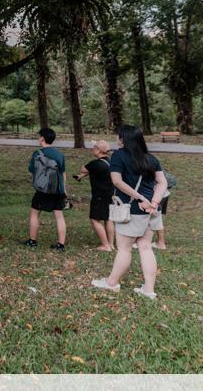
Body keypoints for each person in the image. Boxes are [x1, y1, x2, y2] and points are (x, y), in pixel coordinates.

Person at [91, 125, 168, 300]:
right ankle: (149, 290)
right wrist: (154, 203)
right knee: (145, 247)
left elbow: (117, 182)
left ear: (123, 139)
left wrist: (141, 199)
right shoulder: (151, 158)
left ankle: (112, 283)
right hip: (151, 211)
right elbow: (162, 182)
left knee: (124, 249)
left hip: (132, 209)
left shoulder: (119, 156)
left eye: (118, 136)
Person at [25, 127, 67, 250]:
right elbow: (63, 173)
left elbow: (32, 170)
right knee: (59, 216)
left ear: (42, 139)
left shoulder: (37, 154)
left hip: (42, 189)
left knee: (34, 213)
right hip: (58, 189)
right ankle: (61, 244)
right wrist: (64, 189)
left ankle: (32, 241)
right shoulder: (60, 154)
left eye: (39, 137)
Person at [73, 139, 116, 251]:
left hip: (99, 195)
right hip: (110, 194)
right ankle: (111, 244)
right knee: (108, 219)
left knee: (94, 219)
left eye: (94, 147)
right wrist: (81, 176)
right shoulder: (111, 162)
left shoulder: (95, 164)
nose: (92, 149)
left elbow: (83, 169)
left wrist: (82, 172)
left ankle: (105, 245)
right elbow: (94, 171)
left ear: (98, 150)